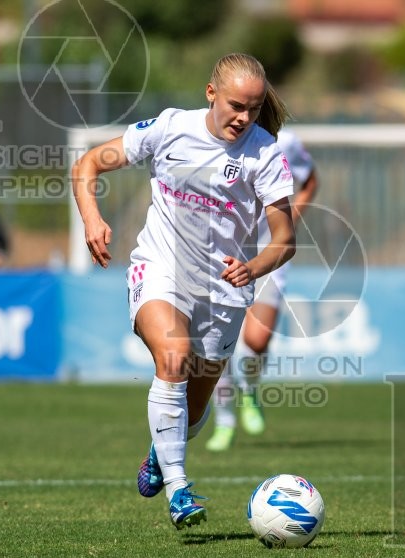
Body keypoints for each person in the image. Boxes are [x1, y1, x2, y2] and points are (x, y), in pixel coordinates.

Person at [71, 53, 296, 530]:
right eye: (236, 105)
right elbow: (88, 164)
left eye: (254, 109)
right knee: (172, 358)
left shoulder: (265, 154)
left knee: (193, 412)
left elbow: (285, 240)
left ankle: (162, 450)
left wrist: (253, 267)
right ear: (210, 93)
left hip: (224, 290)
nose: (244, 117)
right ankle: (179, 491)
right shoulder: (170, 128)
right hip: (160, 269)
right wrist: (92, 218)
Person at [206, 129, 318, 451]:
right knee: (216, 346)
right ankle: (224, 421)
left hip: (269, 255)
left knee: (256, 340)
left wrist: (290, 219)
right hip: (221, 254)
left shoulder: (286, 142)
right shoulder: (213, 139)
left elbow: (311, 181)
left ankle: (250, 389)